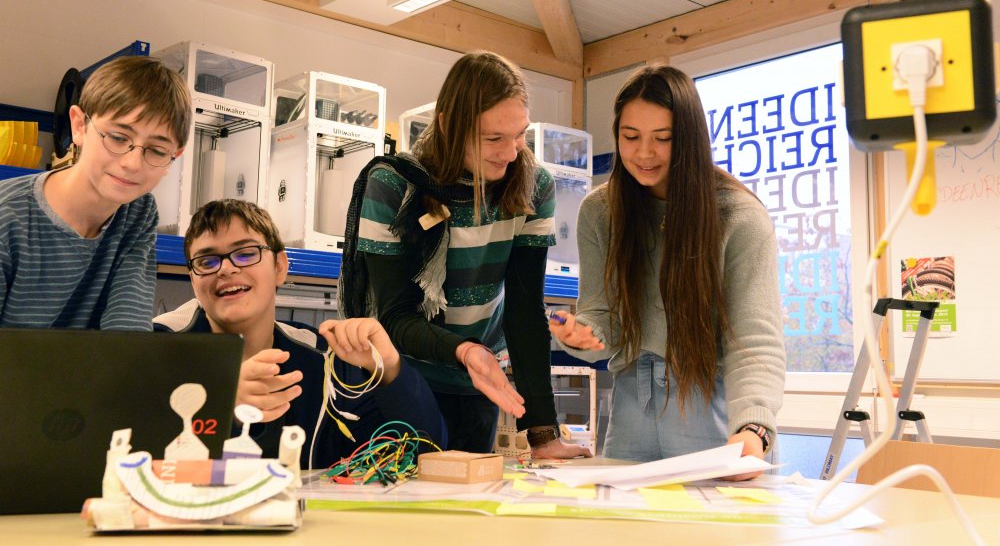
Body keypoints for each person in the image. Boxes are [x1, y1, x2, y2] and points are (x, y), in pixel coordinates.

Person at [339, 50, 589, 458]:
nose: (510, 153)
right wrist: (465, 350)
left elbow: (524, 309)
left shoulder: (532, 185)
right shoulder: (393, 185)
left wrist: (544, 434)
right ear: (448, 126)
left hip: (480, 384)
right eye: (492, 138)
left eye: (519, 134)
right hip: (400, 380)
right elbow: (393, 316)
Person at [549, 65, 785, 478]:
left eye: (663, 138)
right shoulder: (600, 211)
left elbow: (755, 340)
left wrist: (754, 428)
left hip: (708, 405)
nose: (644, 153)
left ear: (690, 139)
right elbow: (602, 321)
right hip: (628, 408)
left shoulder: (739, 216)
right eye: (631, 137)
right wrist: (582, 337)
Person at [154, 199, 446, 468]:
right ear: (192, 278)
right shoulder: (154, 349)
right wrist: (217, 402)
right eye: (207, 261)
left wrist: (390, 370)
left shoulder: (323, 360)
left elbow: (424, 452)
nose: (226, 268)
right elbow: (121, 453)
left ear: (280, 267)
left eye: (245, 254)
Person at [0, 56, 191, 330]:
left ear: (176, 156)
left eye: (157, 151)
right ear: (79, 126)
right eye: (117, 137)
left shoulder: (138, 212)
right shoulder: (7, 214)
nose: (132, 163)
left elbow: (126, 334)